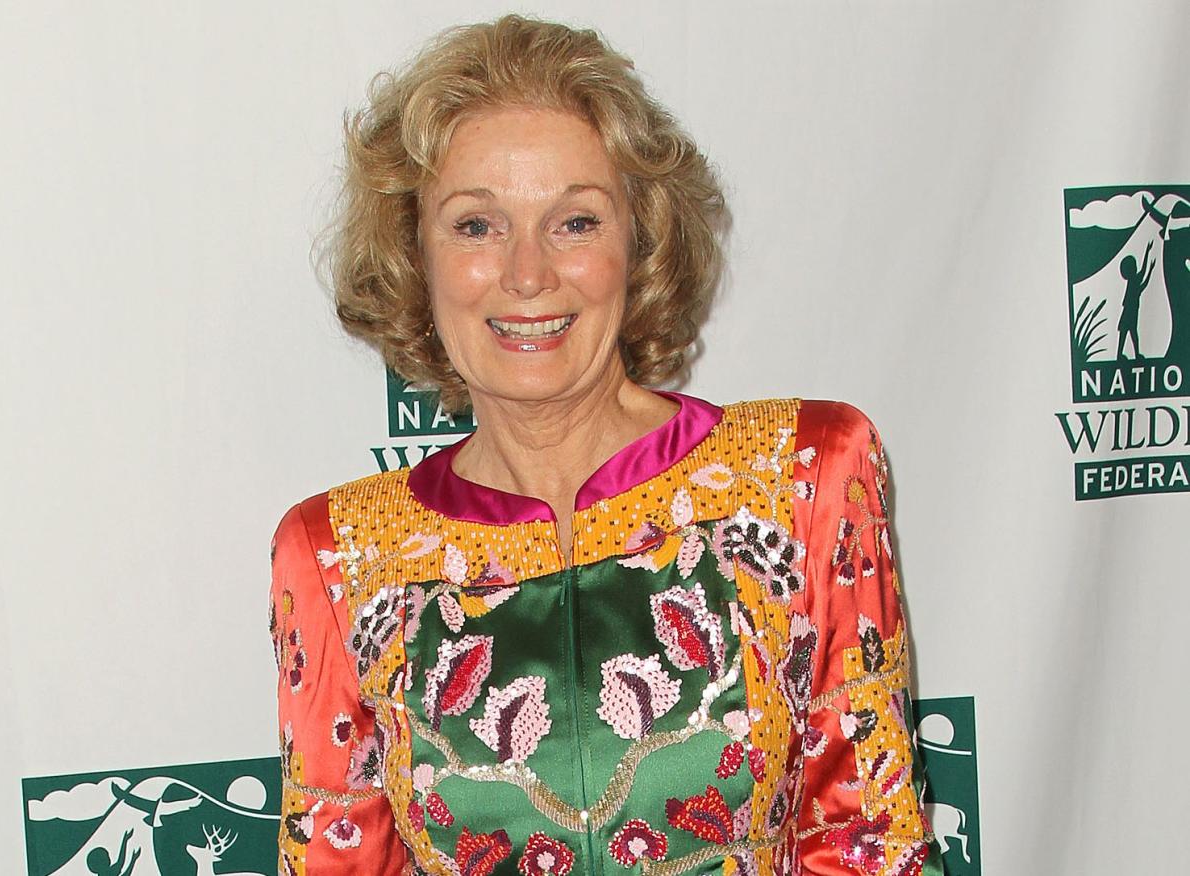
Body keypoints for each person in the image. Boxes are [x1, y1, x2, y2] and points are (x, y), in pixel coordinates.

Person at [269, 14, 942, 875]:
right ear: (414, 258)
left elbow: (870, 846)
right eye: (476, 225)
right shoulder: (335, 559)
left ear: (640, 240)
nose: (526, 272)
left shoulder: (806, 475)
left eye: (575, 222)